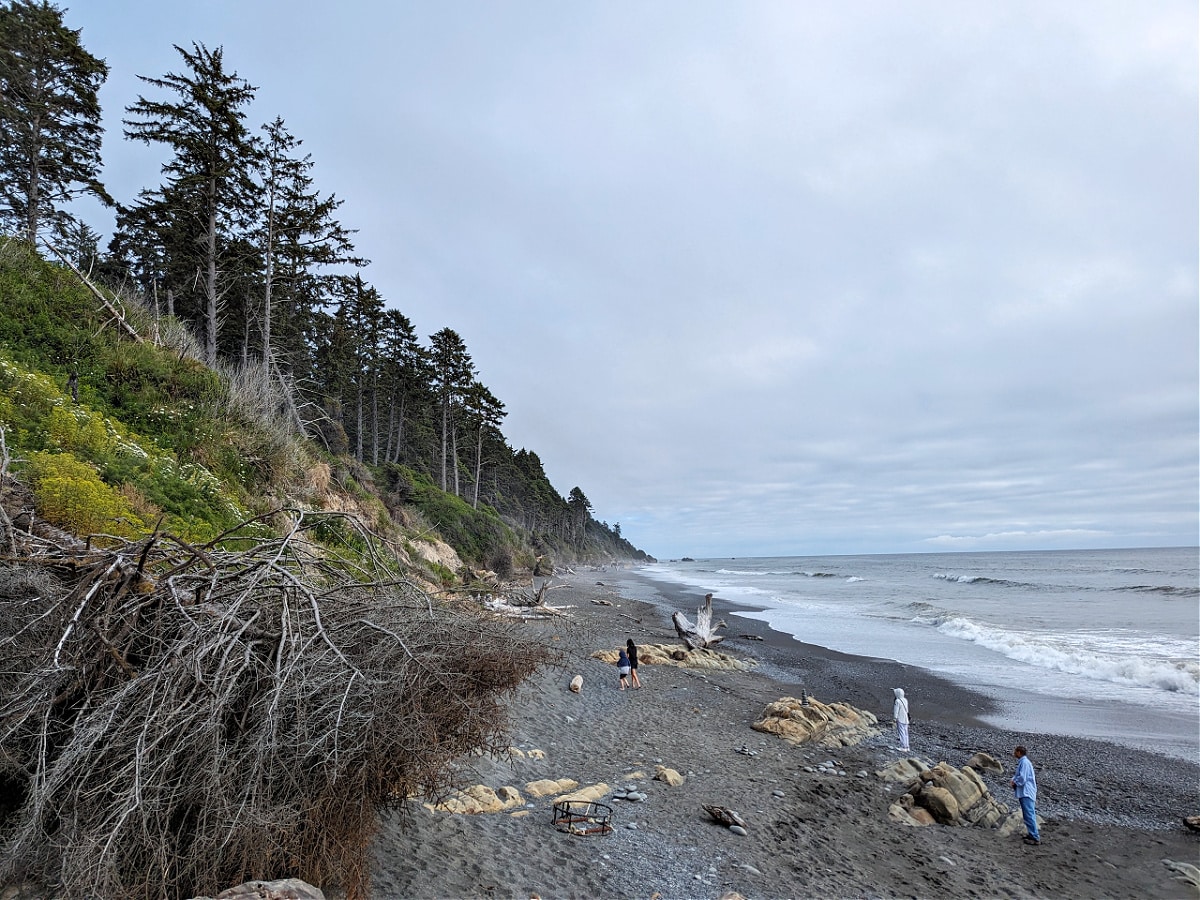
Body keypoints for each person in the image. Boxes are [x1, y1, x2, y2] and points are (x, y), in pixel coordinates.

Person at [1011, 745, 1040, 845]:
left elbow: (1023, 778)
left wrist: (1014, 782)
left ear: (1019, 752)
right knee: (1027, 814)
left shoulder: (1024, 763)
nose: (1014, 753)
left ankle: (1035, 837)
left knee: (1029, 814)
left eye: (1015, 751)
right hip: (1025, 792)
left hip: (1027, 792)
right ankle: (1031, 834)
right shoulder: (1023, 762)